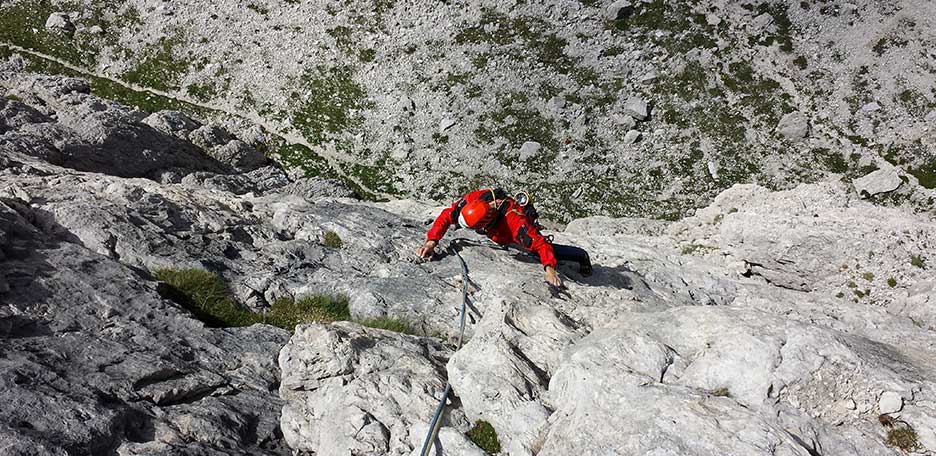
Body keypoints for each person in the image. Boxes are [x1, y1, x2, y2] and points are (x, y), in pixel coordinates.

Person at [416, 188, 592, 287]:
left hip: (509, 234)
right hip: (496, 229)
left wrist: (549, 269)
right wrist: (432, 242)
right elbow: (447, 215)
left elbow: (540, 244)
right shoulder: (473, 201)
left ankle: (581, 256)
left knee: (534, 251)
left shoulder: (515, 223)